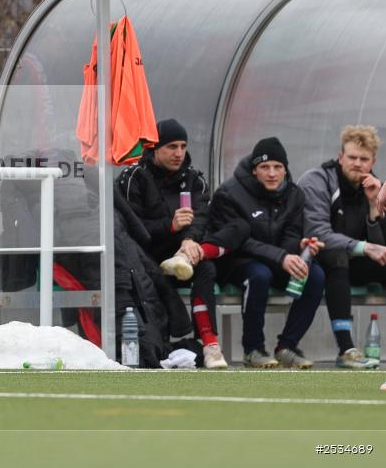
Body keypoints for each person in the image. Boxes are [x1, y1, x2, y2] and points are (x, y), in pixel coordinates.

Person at [206, 137, 325, 368]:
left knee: (315, 274)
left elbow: (290, 235)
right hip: (235, 260)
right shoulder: (229, 193)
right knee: (259, 275)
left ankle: (287, 346)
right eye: (265, 167)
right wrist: (281, 257)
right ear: (254, 170)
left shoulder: (295, 195)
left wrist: (298, 247)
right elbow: (239, 241)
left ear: (285, 169)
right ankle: (253, 349)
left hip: (277, 260)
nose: (272, 173)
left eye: (278, 167)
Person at [118, 119, 227, 368]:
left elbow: (201, 218)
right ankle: (159, 348)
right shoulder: (133, 177)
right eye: (171, 147)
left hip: (182, 257)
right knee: (155, 279)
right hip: (145, 259)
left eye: (183, 146)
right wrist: (170, 225)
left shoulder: (194, 179)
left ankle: (210, 345)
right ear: (155, 148)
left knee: (206, 269)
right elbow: (128, 227)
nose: (179, 153)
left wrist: (188, 240)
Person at [298, 125, 386, 369]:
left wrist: (373, 208)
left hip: (354, 261)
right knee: (338, 256)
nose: (357, 164)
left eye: (364, 159)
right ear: (340, 157)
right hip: (315, 258)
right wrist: (365, 247)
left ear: (373, 161)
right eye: (352, 157)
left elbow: (382, 248)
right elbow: (317, 233)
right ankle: (346, 348)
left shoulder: (376, 188)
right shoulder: (316, 180)